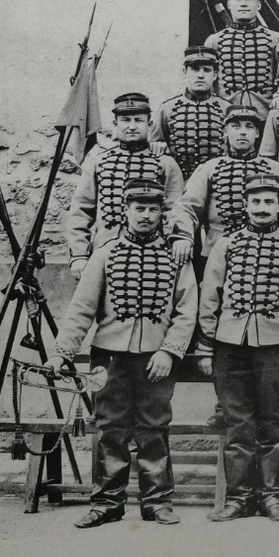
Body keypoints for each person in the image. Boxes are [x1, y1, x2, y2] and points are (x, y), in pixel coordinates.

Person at [56, 177, 197, 528]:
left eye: (153, 209)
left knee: (154, 428)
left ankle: (157, 502)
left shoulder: (176, 258)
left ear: (162, 214)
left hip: (156, 359)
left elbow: (186, 310)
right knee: (110, 429)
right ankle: (106, 502)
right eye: (139, 209)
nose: (146, 216)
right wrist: (63, 352)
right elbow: (82, 308)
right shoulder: (105, 255)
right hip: (110, 356)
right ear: (125, 211)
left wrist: (169, 352)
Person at [196, 174, 279, 522]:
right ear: (245, 205)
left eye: (269, 202)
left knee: (274, 421)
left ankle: (273, 496)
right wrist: (205, 347)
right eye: (255, 201)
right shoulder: (226, 245)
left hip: (275, 346)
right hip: (230, 344)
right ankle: (238, 498)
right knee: (237, 421)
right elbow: (210, 295)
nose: (262, 208)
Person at [65, 93, 185, 279]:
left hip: (153, 255)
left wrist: (172, 245)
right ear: (115, 124)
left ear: (149, 124)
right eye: (125, 120)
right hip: (104, 253)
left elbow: (174, 211)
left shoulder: (165, 164)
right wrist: (79, 254)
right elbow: (80, 212)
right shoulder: (99, 163)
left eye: (138, 120)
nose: (132, 126)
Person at [169, 103, 279, 275]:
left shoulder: (275, 169)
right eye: (235, 126)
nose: (242, 132)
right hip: (217, 254)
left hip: (266, 252)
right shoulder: (209, 168)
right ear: (225, 131)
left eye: (249, 127)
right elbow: (187, 207)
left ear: (257, 133)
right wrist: (183, 236)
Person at [203, 0, 279, 115]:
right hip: (224, 116)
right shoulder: (214, 41)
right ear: (229, 4)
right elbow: (205, 79)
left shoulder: (275, 39)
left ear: (259, 4)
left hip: (265, 115)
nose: (243, 4)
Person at [153, 45, 228, 180]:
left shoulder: (227, 109)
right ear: (184, 72)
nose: (200, 75)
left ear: (215, 75)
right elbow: (154, 144)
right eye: (194, 69)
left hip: (218, 183)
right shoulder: (167, 109)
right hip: (180, 183)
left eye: (206, 70)